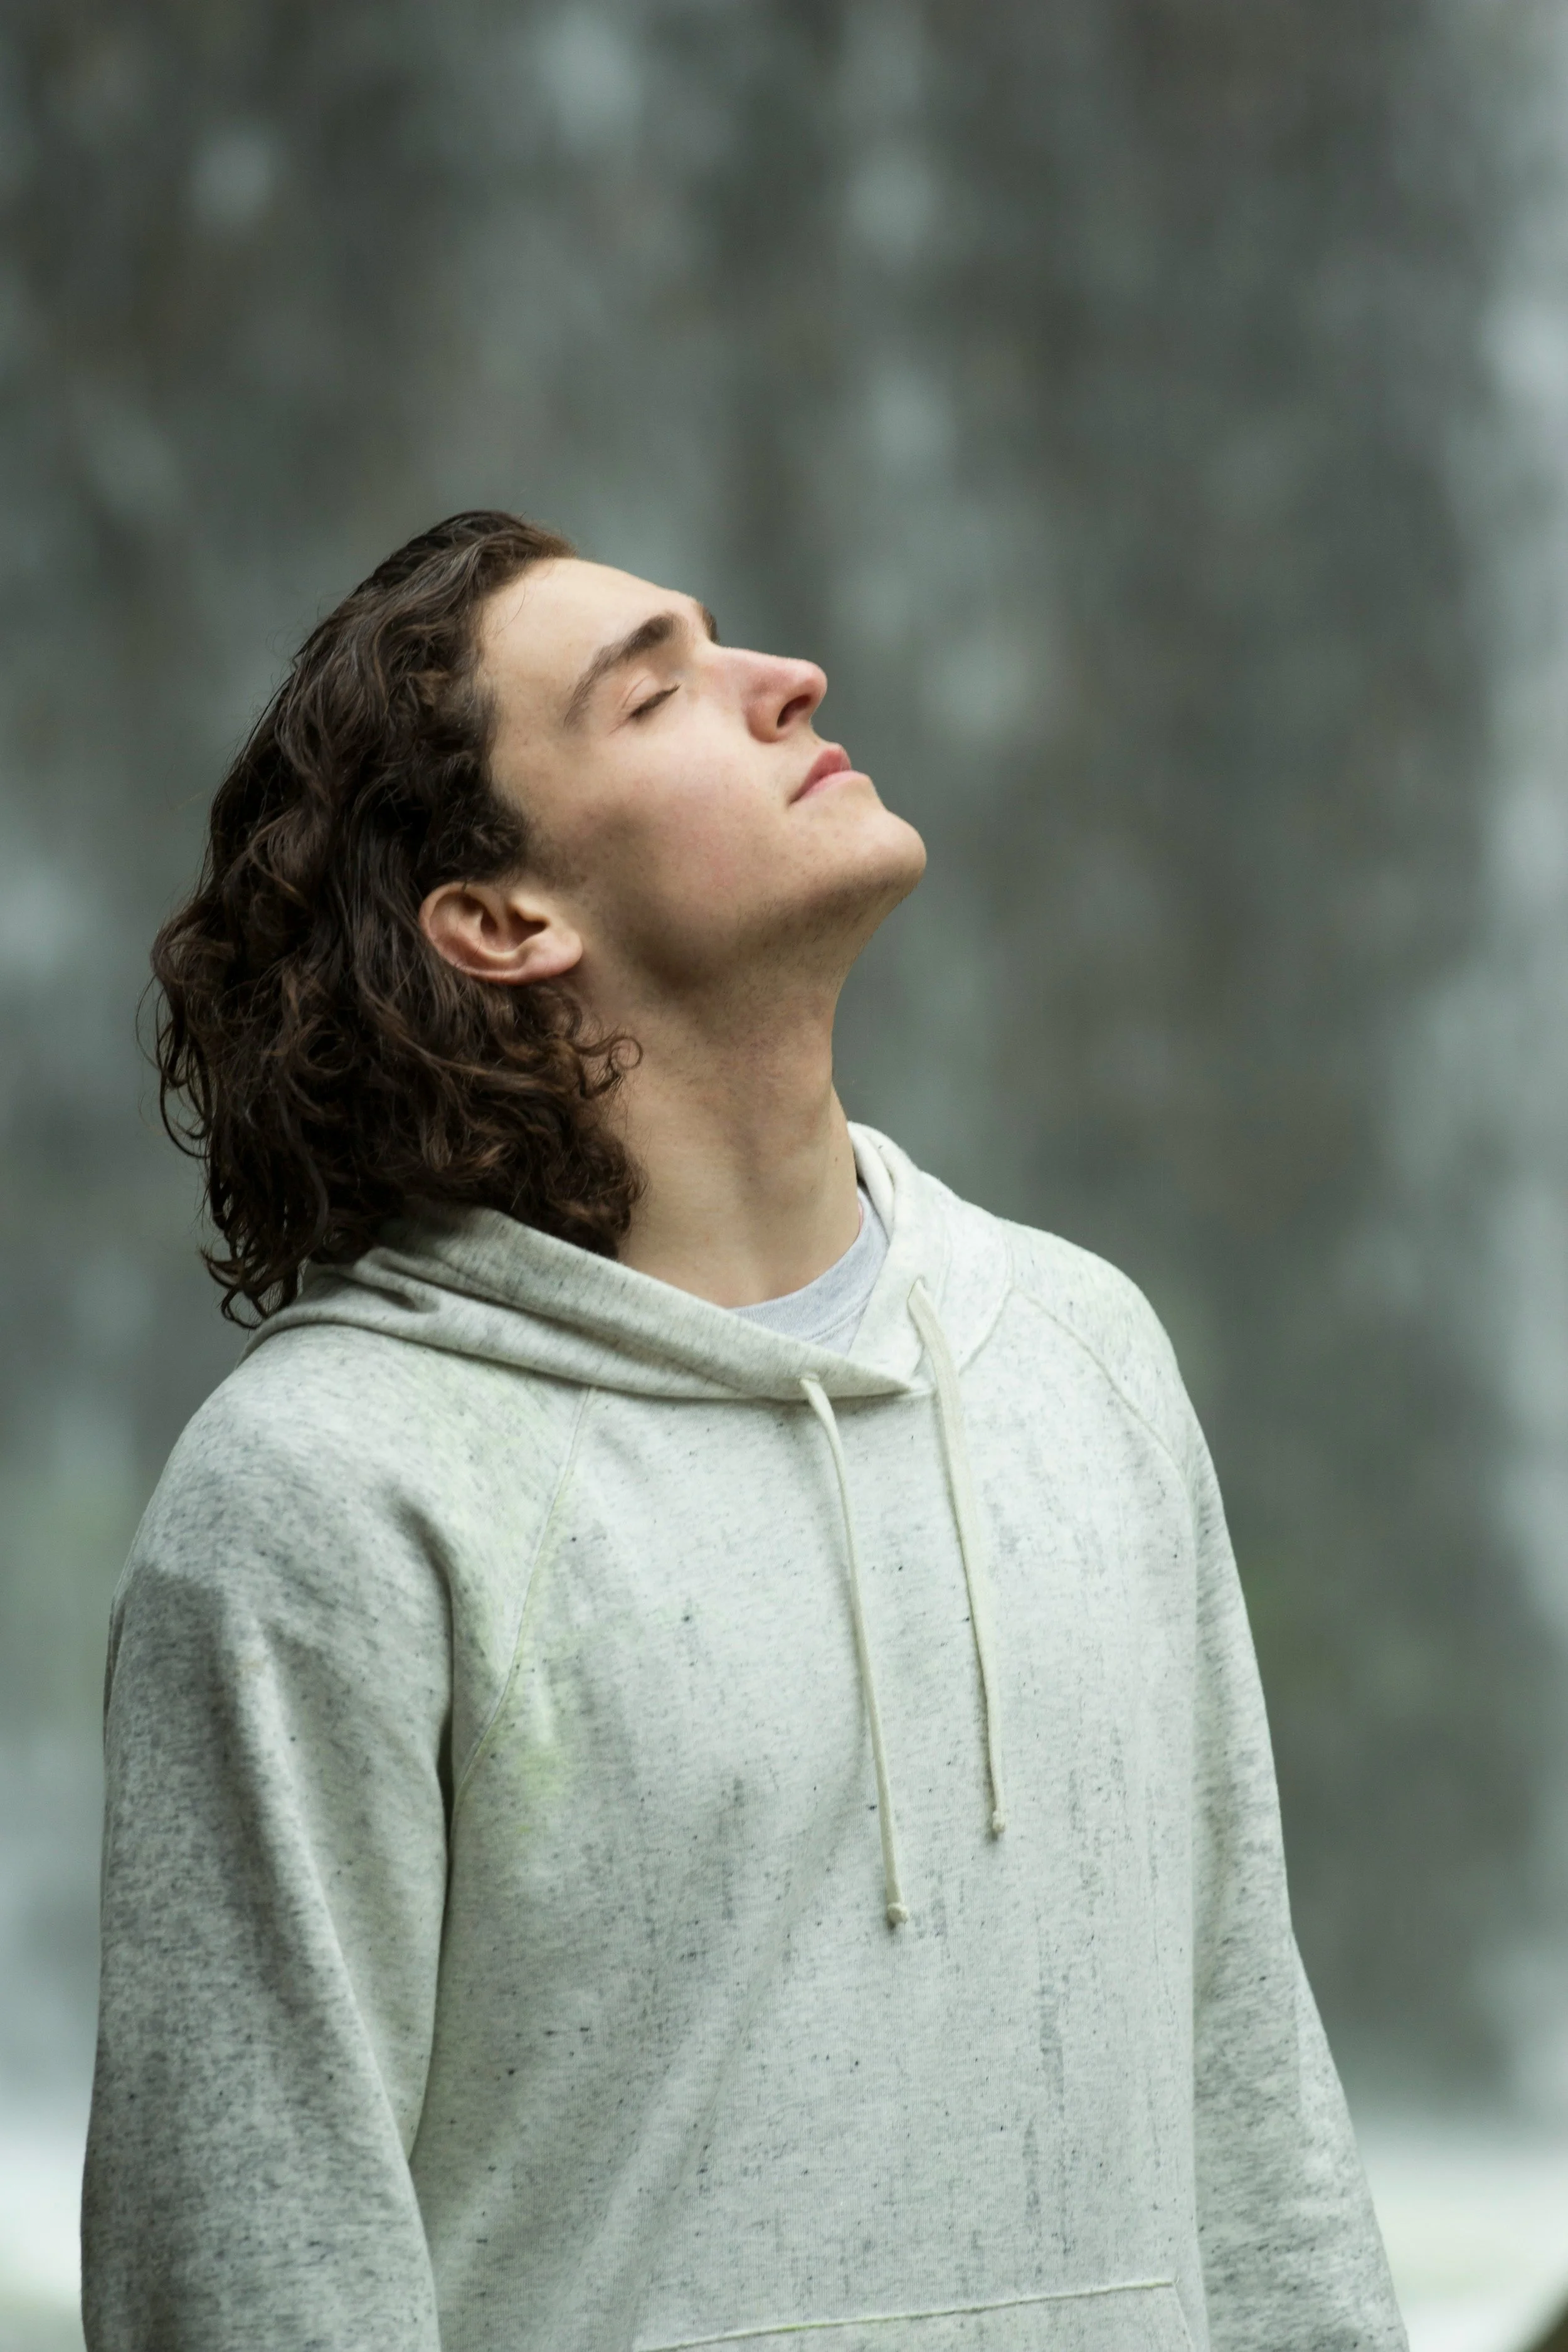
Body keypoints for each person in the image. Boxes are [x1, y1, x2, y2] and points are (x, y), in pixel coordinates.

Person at [82, 510, 1406, 2352]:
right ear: (501, 915)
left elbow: (1245, 2072)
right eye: (658, 692)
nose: (789, 680)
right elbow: (260, 2256)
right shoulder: (326, 1492)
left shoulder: (1083, 1353)